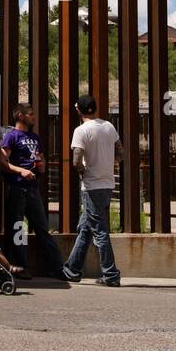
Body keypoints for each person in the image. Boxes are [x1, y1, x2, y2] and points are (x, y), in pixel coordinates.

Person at [61, 95, 123, 287]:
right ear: (95, 109)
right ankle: (72, 269)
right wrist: (107, 164)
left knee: (100, 231)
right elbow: (120, 153)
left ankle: (111, 275)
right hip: (107, 184)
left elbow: (76, 160)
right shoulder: (109, 127)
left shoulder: (81, 131)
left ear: (78, 110)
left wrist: (83, 172)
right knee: (86, 229)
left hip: (91, 186)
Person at [0, 103, 65, 280]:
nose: (34, 117)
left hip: (33, 188)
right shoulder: (11, 136)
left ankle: (58, 267)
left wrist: (42, 166)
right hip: (17, 187)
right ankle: (21, 266)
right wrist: (20, 170)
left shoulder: (35, 137)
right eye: (31, 114)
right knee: (18, 228)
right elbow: (2, 161)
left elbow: (41, 159)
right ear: (20, 115)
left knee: (42, 228)